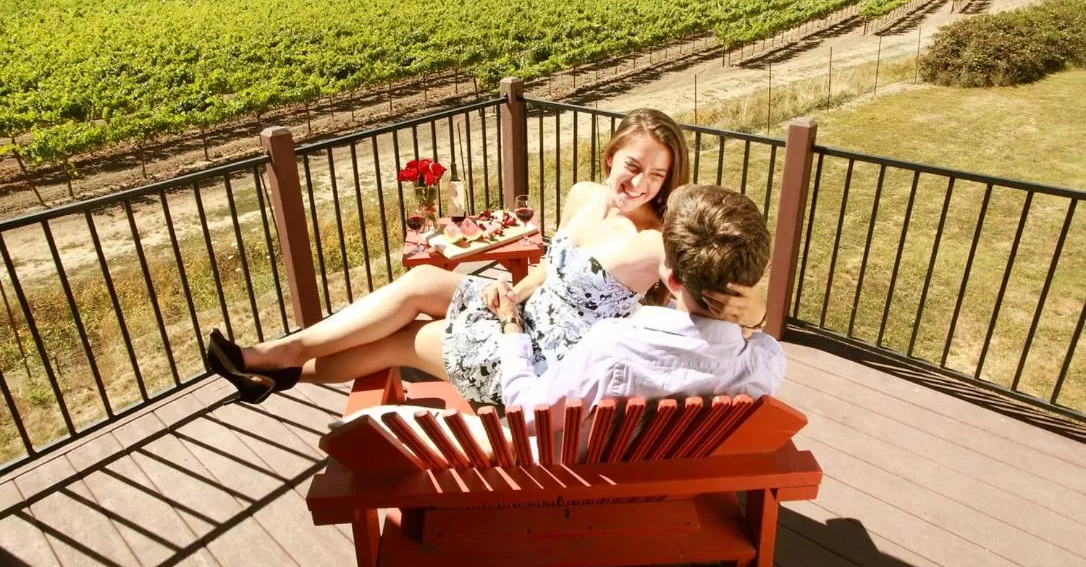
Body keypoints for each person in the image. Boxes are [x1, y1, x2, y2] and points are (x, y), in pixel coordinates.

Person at [207, 109, 763, 405]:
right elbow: (551, 269)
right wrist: (513, 292)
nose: (640, 183)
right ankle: (272, 354)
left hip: (543, 359)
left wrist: (753, 311)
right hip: (521, 313)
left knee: (401, 342)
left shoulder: (653, 241)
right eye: (632, 165)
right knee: (422, 281)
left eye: (658, 175)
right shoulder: (582, 196)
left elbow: (720, 272)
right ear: (611, 154)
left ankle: (282, 374)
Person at [493, 183, 784, 430]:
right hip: (676, 483)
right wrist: (757, 316)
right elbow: (754, 340)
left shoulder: (612, 347)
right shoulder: (765, 363)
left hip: (587, 484)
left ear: (670, 280)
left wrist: (511, 328)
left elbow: (526, 412)